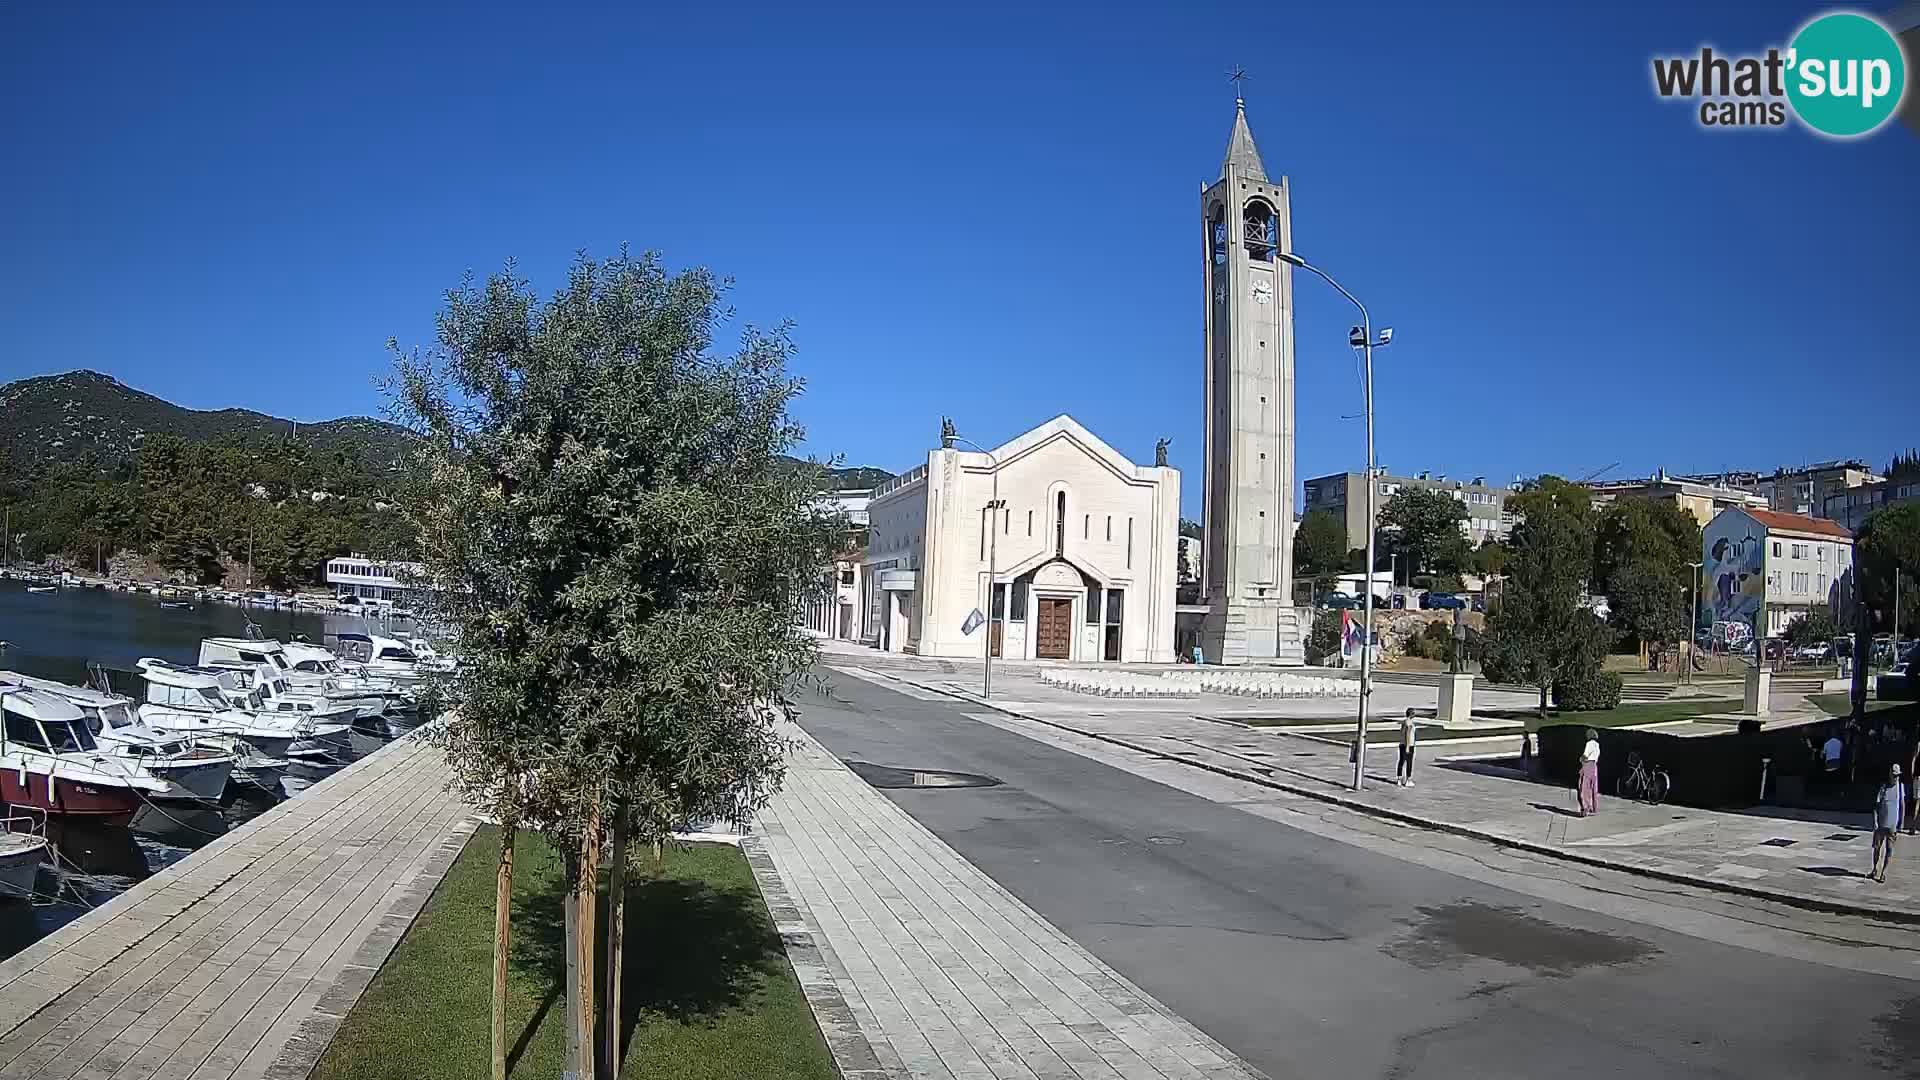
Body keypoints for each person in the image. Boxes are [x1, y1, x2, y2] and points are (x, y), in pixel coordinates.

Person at [1873, 765, 1904, 883]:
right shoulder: (1884, 788)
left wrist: (1901, 823)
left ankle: (1883, 873)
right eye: (1894, 775)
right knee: (1876, 848)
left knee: (1889, 850)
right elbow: (1876, 806)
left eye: (1898, 776)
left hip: (1892, 826)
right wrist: (1875, 822)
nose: (1896, 778)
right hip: (1881, 824)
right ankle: (1875, 869)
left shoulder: (1900, 788)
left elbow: (1902, 805)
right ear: (1890, 774)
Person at [1577, 729, 1601, 816]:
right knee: (1593, 787)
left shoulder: (1589, 744)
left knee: (1583, 787)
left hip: (1587, 765)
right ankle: (1594, 807)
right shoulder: (1597, 745)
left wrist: (1580, 759)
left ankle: (1585, 808)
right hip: (1594, 766)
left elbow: (1585, 755)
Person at [1396, 711, 1418, 787]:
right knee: (1409, 763)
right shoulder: (1409, 723)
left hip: (1402, 744)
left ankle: (1399, 779)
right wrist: (1408, 746)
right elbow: (1408, 734)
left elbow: (1402, 732)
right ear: (1411, 714)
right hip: (1408, 745)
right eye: (1414, 713)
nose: (1415, 714)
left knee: (1401, 762)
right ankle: (1408, 780)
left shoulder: (1404, 722)